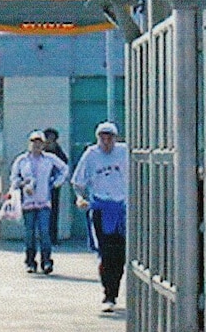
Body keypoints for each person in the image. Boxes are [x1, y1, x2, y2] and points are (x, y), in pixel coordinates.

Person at [71, 121, 129, 312]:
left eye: (109, 138)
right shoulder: (91, 155)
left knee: (119, 255)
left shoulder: (124, 152)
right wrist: (80, 198)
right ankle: (108, 294)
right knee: (105, 252)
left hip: (121, 210)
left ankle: (115, 289)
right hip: (100, 210)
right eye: (102, 138)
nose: (106, 142)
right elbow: (78, 182)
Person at [8, 130, 68, 274]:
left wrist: (55, 183)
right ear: (29, 144)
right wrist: (22, 184)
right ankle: (30, 261)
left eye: (40, 143)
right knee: (29, 233)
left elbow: (64, 169)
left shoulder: (49, 159)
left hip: (44, 201)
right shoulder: (22, 160)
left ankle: (46, 261)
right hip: (28, 203)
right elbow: (14, 178)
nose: (37, 145)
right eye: (34, 142)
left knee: (44, 231)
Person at [40, 127, 67, 245]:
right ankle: (43, 237)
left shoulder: (58, 151)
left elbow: (64, 164)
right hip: (40, 187)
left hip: (53, 186)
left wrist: (57, 181)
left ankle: (53, 237)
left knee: (54, 212)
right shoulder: (40, 152)